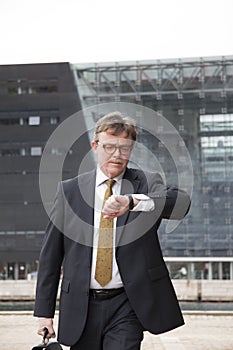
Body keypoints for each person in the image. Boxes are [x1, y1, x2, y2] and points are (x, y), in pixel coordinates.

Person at [34, 111, 191, 350]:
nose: (117, 155)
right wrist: (44, 313)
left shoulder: (146, 183)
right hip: (80, 305)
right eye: (109, 147)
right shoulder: (70, 191)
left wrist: (133, 201)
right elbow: (50, 256)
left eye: (124, 148)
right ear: (95, 146)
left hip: (127, 304)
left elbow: (180, 204)